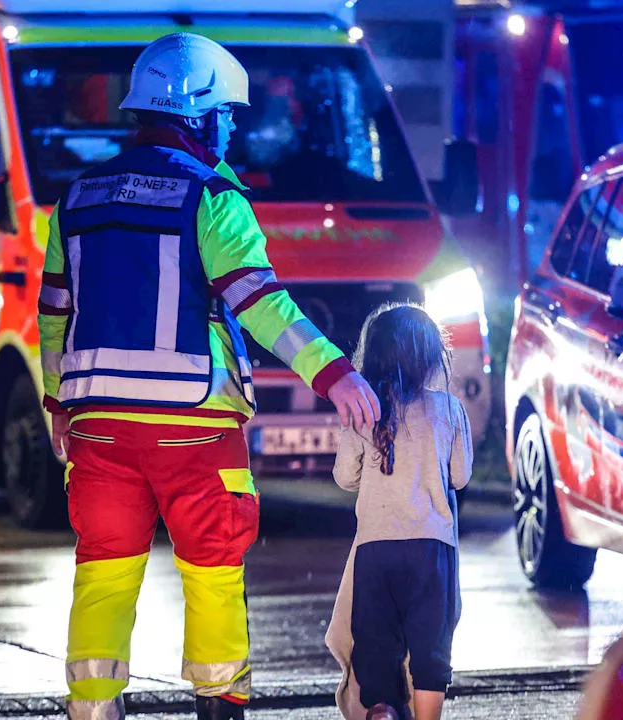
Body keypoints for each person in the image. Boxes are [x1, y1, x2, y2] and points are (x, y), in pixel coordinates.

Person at [37, 33, 381, 720]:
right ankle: (219, 710)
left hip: (98, 425)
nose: (231, 128)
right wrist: (336, 374)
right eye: (225, 114)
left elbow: (52, 314)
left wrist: (57, 404)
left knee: (102, 575)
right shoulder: (211, 195)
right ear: (194, 112)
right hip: (194, 424)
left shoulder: (77, 198)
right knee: (213, 573)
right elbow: (262, 305)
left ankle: (93, 711)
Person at [327, 304, 472, 720]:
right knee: (430, 645)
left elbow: (343, 477)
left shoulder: (364, 410)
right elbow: (460, 476)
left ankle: (382, 711)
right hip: (432, 548)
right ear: (430, 358)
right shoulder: (448, 409)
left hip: (375, 548)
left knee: (376, 643)